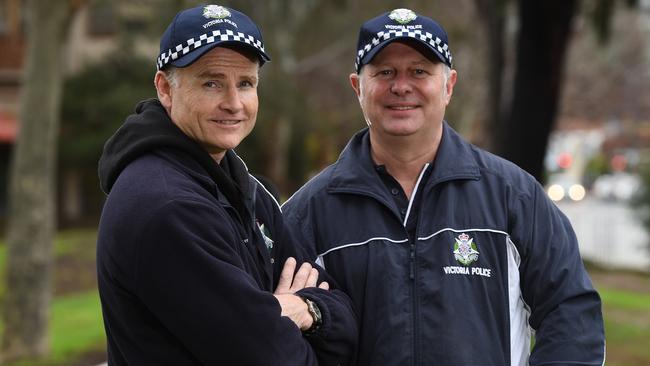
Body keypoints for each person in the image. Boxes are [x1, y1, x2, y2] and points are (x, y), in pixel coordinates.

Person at [282, 8, 605, 366]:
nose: (401, 86)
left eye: (419, 71)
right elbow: (280, 336)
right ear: (358, 86)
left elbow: (572, 314)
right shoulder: (308, 212)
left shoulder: (513, 196)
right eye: (384, 72)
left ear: (449, 85)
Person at [96, 4, 357, 365]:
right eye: (211, 82)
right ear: (165, 89)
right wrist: (278, 318)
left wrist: (303, 308)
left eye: (246, 83)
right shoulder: (167, 206)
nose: (233, 103)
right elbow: (273, 358)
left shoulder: (248, 190)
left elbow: (345, 327)